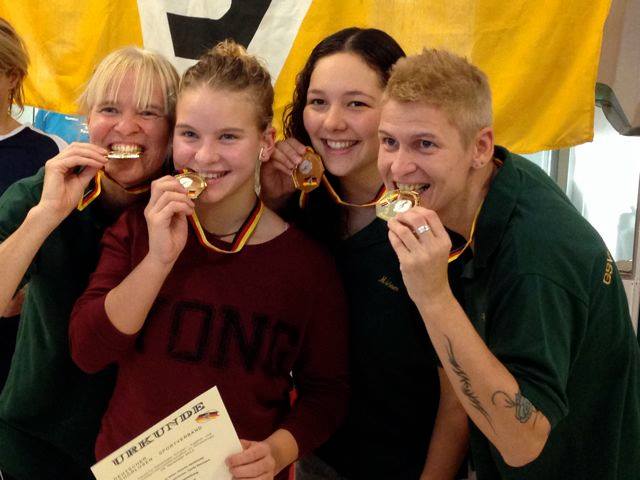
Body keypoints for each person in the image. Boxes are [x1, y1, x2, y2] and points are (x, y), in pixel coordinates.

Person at [69, 40, 349, 480]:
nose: (204, 156)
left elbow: (327, 392)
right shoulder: (138, 229)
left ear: (265, 141)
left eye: (229, 137)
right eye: (190, 135)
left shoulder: (307, 265)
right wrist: (159, 261)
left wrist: (277, 451)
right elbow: (88, 352)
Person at [378, 48, 640, 479]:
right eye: (389, 141)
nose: (398, 167)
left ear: (480, 147)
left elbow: (522, 442)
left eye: (425, 144)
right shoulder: (484, 189)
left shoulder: (537, 255)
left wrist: (432, 295)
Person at [260, 28, 468, 479]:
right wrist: (273, 203)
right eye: (318, 102)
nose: (332, 122)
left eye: (356, 103)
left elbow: (457, 402)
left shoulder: (432, 221)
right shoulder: (306, 206)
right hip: (319, 461)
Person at [0, 46, 179, 480]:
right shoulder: (46, 189)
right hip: (38, 441)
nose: (127, 127)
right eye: (109, 109)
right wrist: (44, 217)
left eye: (150, 113)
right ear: (87, 120)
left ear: (174, 130)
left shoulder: (187, 200)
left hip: (149, 451)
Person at [0, 16, 67, 388]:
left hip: (18, 351)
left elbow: (63, 251)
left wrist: (28, 292)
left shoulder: (50, 153)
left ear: (13, 75)